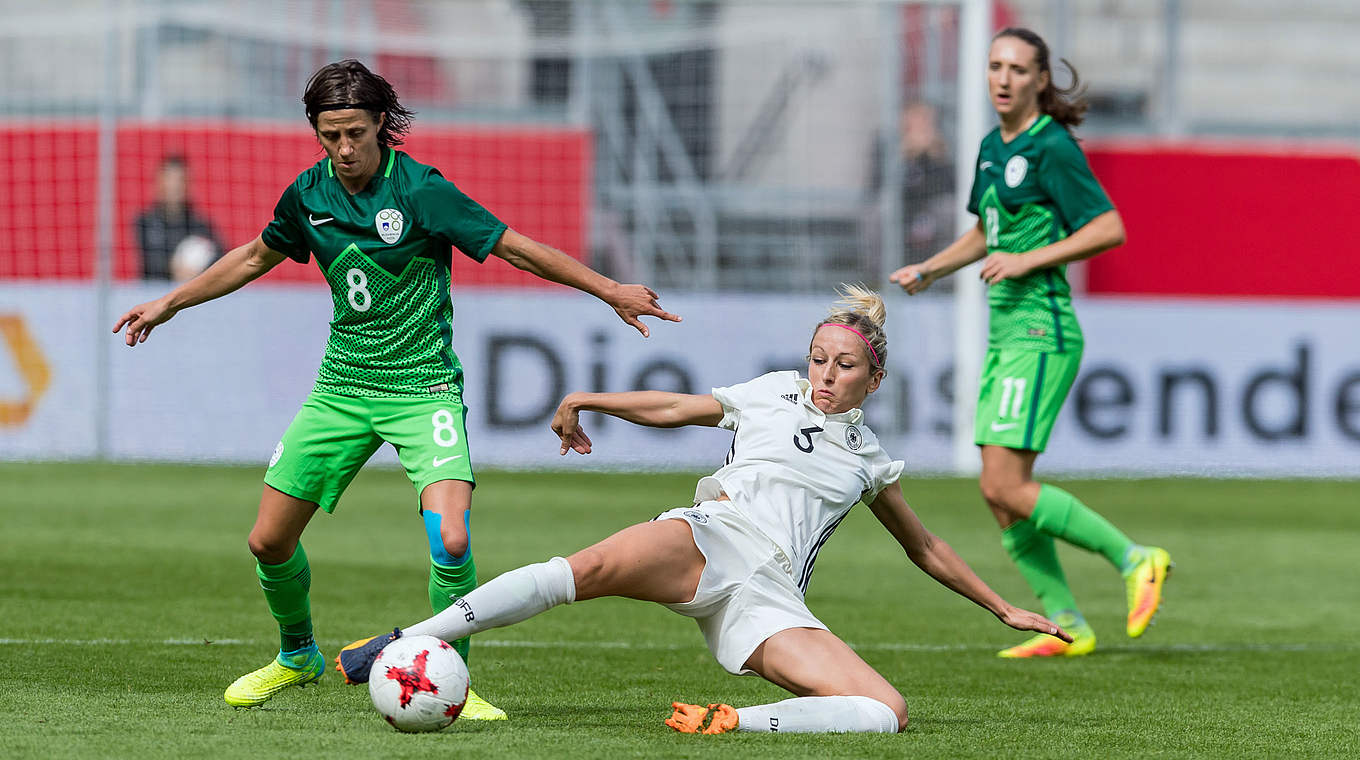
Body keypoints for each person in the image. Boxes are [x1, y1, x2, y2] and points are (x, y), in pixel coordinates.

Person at [112, 59, 681, 717]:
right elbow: (250, 257)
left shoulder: (421, 191)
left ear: (381, 123)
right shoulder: (308, 196)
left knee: (453, 541)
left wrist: (609, 289)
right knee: (267, 542)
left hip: (423, 390)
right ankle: (297, 655)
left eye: (355, 133)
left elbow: (514, 248)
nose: (345, 149)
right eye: (331, 136)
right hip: (342, 390)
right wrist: (171, 303)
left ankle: (456, 687)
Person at [333, 285, 1070, 734]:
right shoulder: (774, 390)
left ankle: (728, 722)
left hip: (768, 594)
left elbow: (926, 546)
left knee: (886, 712)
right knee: (580, 569)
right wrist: (592, 398)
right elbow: (680, 406)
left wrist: (1002, 608)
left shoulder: (870, 459)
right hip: (714, 537)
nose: (825, 374)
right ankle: (399, 640)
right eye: (819, 357)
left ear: (873, 380)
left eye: (844, 366)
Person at [889, 28, 1172, 658]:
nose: (1003, 78)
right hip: (1006, 333)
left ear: (1041, 80)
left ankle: (1136, 559)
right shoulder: (992, 146)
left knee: (1007, 485)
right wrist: (932, 269)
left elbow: (1108, 227)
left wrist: (1030, 260)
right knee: (998, 493)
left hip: (1041, 331)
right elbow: (987, 233)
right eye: (995, 66)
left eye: (1018, 68)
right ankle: (1068, 625)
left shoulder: (1052, 147)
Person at [867, 101, 956, 266]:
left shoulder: (940, 146)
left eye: (926, 120)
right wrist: (904, 157)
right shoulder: (886, 144)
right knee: (879, 214)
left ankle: (947, 275)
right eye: (916, 120)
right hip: (902, 207)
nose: (921, 125)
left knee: (950, 211)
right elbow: (877, 185)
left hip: (930, 207)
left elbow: (949, 187)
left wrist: (935, 157)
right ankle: (879, 273)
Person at [133, 155, 223, 281]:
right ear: (160, 182)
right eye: (169, 179)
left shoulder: (200, 225)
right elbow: (149, 261)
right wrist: (174, 267)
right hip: (155, 294)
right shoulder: (145, 222)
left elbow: (222, 257)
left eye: (180, 180)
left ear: (187, 184)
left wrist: (201, 270)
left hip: (193, 294)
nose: (174, 186)